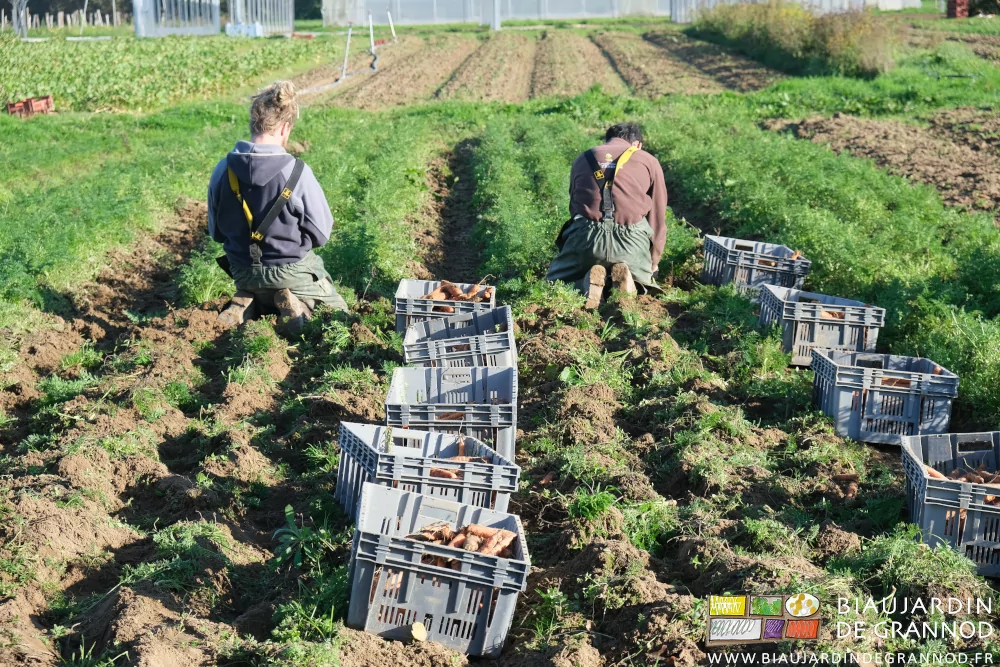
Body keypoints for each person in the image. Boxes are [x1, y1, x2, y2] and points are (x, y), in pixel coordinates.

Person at [208, 81, 347, 334]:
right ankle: (300, 305)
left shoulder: (222, 169)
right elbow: (321, 234)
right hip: (290, 270)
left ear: (253, 124)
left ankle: (247, 302)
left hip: (242, 270)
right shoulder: (297, 172)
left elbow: (216, 232)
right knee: (341, 316)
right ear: (285, 127)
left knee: (257, 285)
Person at [546, 122, 668, 309]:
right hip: (632, 244)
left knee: (555, 284)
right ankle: (631, 285)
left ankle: (586, 284)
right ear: (638, 145)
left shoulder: (583, 158)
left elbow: (574, 207)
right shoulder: (648, 160)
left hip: (586, 239)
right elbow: (657, 219)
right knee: (648, 289)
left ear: (607, 141)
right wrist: (653, 263)